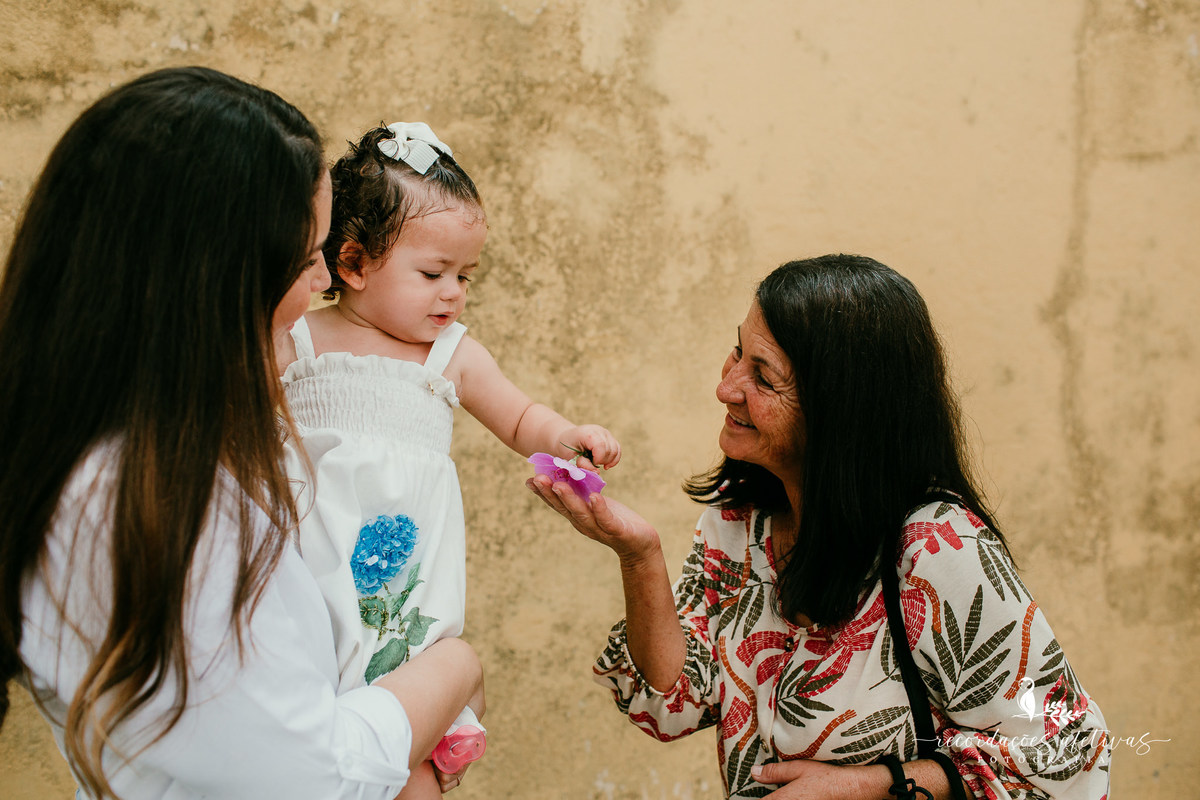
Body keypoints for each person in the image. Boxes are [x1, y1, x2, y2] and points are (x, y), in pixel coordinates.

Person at [0, 66, 483, 800]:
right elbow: (309, 776)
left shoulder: (115, 457)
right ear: (215, 283)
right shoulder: (150, 502)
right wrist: (455, 669)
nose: (325, 283)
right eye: (304, 259)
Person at [528, 255, 1111, 800]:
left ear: (841, 409)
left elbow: (1069, 750)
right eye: (736, 354)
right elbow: (670, 704)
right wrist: (639, 556)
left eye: (763, 376)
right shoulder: (736, 526)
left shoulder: (939, 546)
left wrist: (876, 784)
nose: (726, 387)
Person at [276, 121, 620, 796]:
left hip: (407, 600)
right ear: (352, 263)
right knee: (321, 732)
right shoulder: (301, 339)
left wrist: (567, 437)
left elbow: (520, 416)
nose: (454, 293)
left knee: (411, 754)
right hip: (313, 581)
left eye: (465, 276)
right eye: (433, 274)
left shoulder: (451, 354)